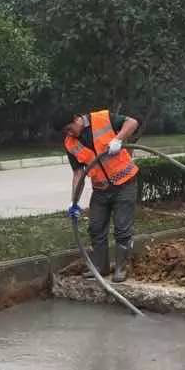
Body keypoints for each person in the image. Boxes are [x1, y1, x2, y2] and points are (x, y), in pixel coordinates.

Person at [55, 108, 141, 282]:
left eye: (70, 128)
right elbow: (78, 174)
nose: (69, 133)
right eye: (65, 131)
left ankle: (121, 268)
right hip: (101, 190)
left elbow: (132, 123)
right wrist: (74, 202)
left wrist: (118, 139)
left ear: (76, 118)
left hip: (125, 183)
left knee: (122, 228)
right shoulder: (70, 143)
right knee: (95, 227)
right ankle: (101, 267)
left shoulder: (102, 118)